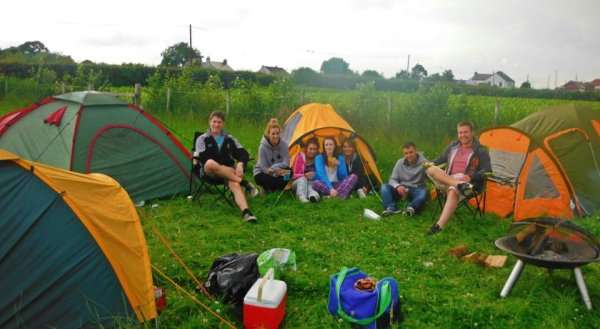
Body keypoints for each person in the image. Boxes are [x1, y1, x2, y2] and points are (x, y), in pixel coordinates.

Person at [426, 121, 491, 234]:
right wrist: (428, 163)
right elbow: (440, 159)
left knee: (454, 189)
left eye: (465, 132)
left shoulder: (481, 151)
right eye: (460, 132)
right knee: (430, 169)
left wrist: (470, 177)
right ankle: (457, 184)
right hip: (448, 180)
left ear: (472, 132)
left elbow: (487, 170)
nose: (462, 135)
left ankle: (439, 226)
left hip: (467, 185)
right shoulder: (453, 146)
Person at [195, 111, 259, 222]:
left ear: (223, 124)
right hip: (209, 173)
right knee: (210, 163)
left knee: (234, 183)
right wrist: (225, 168)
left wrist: (240, 163)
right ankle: (244, 182)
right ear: (210, 122)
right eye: (214, 121)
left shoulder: (229, 139)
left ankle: (246, 212)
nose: (216, 124)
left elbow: (243, 153)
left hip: (228, 174)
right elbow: (203, 158)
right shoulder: (202, 139)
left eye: (219, 122)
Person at [380, 142, 428, 217]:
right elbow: (392, 179)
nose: (408, 155)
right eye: (406, 153)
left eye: (411, 152)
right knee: (384, 187)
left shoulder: (424, 162)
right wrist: (398, 186)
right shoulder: (400, 162)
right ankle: (391, 208)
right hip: (401, 189)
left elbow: (431, 175)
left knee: (423, 193)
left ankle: (411, 208)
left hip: (416, 188)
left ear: (416, 151)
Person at [253, 118, 290, 193]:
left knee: (290, 172)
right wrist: (273, 171)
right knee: (260, 178)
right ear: (268, 134)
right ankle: (277, 187)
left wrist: (276, 169)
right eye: (273, 134)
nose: (276, 136)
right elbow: (263, 167)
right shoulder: (262, 147)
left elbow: (286, 163)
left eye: (277, 133)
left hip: (278, 170)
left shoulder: (284, 145)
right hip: (263, 172)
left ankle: (269, 188)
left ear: (280, 133)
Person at [291, 137, 321, 203]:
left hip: (311, 182)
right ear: (306, 149)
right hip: (298, 182)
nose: (312, 151)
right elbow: (293, 175)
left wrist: (315, 175)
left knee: (311, 186)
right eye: (310, 149)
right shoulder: (300, 157)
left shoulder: (318, 158)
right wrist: (304, 175)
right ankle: (301, 197)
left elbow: (322, 174)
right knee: (303, 180)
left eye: (314, 149)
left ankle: (313, 196)